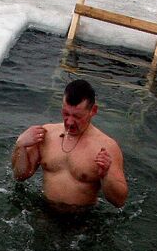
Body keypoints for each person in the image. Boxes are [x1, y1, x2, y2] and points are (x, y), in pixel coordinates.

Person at [11, 79, 128, 210]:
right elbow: (20, 175)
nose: (70, 122)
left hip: (81, 219)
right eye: (66, 114)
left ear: (93, 111)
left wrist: (106, 175)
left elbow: (119, 201)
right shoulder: (47, 134)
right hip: (44, 210)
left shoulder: (106, 147)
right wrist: (20, 145)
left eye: (77, 116)